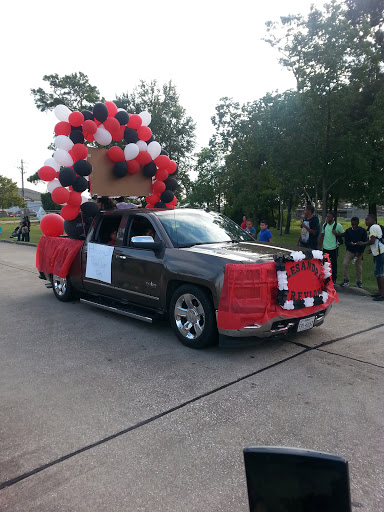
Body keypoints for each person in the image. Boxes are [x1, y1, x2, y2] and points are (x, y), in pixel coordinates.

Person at [353, 214, 384, 301]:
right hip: (378, 252)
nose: (365, 221)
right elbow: (376, 241)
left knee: (380, 274)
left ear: (372, 220)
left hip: (380, 254)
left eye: (367, 220)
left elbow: (372, 240)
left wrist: (363, 243)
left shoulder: (373, 227)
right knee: (378, 274)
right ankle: (380, 292)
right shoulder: (375, 227)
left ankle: (382, 294)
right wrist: (371, 250)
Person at [318, 211, 344, 283]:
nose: (327, 218)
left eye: (329, 217)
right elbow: (322, 235)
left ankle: (334, 278)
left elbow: (343, 234)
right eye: (327, 216)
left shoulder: (337, 226)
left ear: (333, 218)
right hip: (326, 247)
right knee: (325, 263)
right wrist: (319, 245)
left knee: (334, 263)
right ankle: (325, 277)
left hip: (334, 247)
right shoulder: (325, 225)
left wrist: (336, 234)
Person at [340, 217, 367, 288]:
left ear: (358, 223)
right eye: (352, 224)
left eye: (355, 224)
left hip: (359, 251)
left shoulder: (363, 231)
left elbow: (364, 243)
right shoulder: (348, 231)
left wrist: (359, 252)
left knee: (358, 267)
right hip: (350, 250)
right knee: (345, 264)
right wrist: (350, 244)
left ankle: (359, 282)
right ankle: (346, 280)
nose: (354, 226)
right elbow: (346, 242)